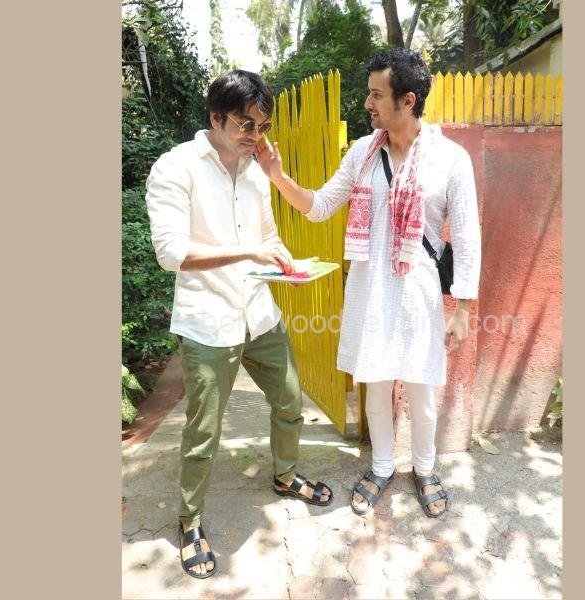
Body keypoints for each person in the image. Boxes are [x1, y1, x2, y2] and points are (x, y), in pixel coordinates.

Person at [255, 48, 481, 518]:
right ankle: (381, 467)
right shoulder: (362, 152)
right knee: (375, 388)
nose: (367, 103)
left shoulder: (450, 159)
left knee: (421, 390)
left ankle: (425, 469)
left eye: (377, 95)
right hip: (369, 289)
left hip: (418, 293)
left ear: (407, 100)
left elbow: (466, 235)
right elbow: (319, 206)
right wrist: (278, 177)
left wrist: (463, 309)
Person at [145, 69, 333, 579]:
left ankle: (285, 475)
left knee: (290, 401)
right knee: (203, 430)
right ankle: (190, 521)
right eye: (245, 124)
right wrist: (248, 251)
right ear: (215, 118)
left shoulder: (254, 171)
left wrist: (287, 265)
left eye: (262, 126)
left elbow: (267, 236)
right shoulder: (176, 167)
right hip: (208, 321)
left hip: (259, 312)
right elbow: (171, 253)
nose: (255, 135)